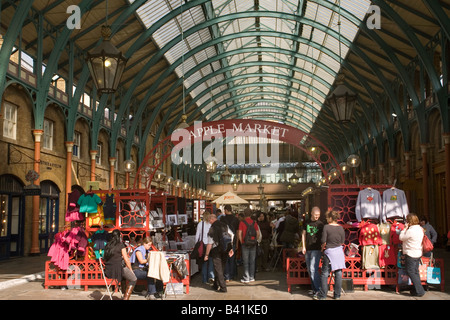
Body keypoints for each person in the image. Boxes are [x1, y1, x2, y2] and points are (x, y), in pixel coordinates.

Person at [316, 210, 345, 300]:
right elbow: (342, 241)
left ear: (331, 218)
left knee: (325, 274)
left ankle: (323, 295)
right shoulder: (341, 228)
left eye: (327, 217)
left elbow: (323, 240)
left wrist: (322, 248)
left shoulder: (326, 227)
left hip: (329, 253)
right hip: (339, 252)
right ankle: (337, 295)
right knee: (338, 273)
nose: (326, 219)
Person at [103, 229, 137, 300]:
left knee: (124, 278)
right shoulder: (120, 245)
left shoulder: (108, 245)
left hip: (108, 271)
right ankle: (126, 298)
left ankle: (124, 295)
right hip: (118, 269)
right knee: (133, 278)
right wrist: (131, 270)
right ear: (119, 236)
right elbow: (126, 259)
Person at [204, 213, 234, 292]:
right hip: (225, 248)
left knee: (218, 269)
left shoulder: (212, 228)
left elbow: (210, 243)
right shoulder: (224, 225)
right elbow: (231, 235)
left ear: (211, 219)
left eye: (209, 220)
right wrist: (230, 248)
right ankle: (216, 284)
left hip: (216, 250)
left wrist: (206, 254)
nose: (209, 222)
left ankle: (223, 287)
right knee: (221, 268)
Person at [399, 213, 426, 297]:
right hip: (418, 252)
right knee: (415, 272)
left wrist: (404, 229)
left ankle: (420, 290)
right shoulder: (420, 229)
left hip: (411, 253)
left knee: (410, 271)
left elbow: (401, 237)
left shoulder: (411, 230)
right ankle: (416, 290)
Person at [302, 206, 324, 298]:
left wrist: (322, 247)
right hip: (308, 248)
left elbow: (324, 237)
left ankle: (318, 289)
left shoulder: (320, 224)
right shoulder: (306, 222)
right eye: (315, 215)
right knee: (309, 269)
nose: (317, 217)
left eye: (318, 215)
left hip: (317, 248)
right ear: (311, 213)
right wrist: (303, 246)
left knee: (312, 269)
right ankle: (314, 289)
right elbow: (303, 234)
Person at [238, 208, 261, 283]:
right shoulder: (254, 223)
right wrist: (255, 241)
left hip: (245, 243)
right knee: (252, 261)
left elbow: (239, 233)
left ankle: (246, 277)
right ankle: (252, 277)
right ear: (251, 214)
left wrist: (242, 242)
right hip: (253, 244)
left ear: (244, 214)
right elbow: (258, 233)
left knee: (245, 261)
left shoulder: (242, 223)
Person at [220, 204, 240, 281]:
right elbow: (238, 232)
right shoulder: (236, 219)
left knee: (225, 259)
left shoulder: (222, 219)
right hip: (233, 241)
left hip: (225, 241)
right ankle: (231, 275)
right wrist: (237, 242)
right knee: (232, 258)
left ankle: (226, 276)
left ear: (225, 210)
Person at [195, 210, 215, 284]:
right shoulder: (211, 224)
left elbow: (197, 235)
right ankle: (211, 277)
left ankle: (204, 279)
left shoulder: (200, 224)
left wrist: (196, 244)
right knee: (211, 262)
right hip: (211, 245)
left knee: (204, 263)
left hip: (203, 245)